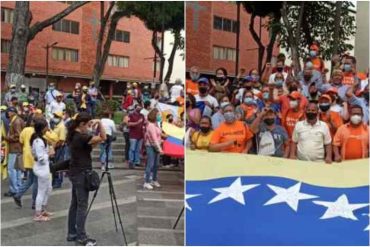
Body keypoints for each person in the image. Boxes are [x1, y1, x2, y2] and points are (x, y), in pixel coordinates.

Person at [66, 112, 106, 246]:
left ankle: (72, 233)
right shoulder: (81, 137)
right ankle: (81, 237)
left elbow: (92, 144)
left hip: (75, 173)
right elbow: (103, 137)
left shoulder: (74, 136)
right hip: (81, 174)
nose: (89, 127)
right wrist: (100, 123)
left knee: (75, 204)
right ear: (82, 124)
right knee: (82, 206)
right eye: (88, 125)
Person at [13, 116, 58, 209]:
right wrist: (50, 130)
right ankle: (35, 201)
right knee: (36, 182)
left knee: (31, 179)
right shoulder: (40, 134)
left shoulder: (25, 130)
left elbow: (20, 141)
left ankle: (18, 194)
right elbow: (55, 138)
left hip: (27, 158)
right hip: (37, 160)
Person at [30, 118, 53, 222]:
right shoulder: (38, 141)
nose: (48, 128)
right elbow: (41, 159)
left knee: (48, 188)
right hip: (41, 168)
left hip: (45, 168)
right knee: (42, 191)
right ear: (42, 128)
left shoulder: (41, 139)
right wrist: (49, 154)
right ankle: (38, 213)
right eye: (46, 126)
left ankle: (43, 209)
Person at [3, 107, 25, 197]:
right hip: (17, 148)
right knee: (17, 169)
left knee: (11, 169)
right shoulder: (17, 120)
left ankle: (14, 189)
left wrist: (6, 138)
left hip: (15, 148)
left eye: (9, 112)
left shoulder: (16, 121)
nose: (7, 113)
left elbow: (18, 135)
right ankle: (18, 188)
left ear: (12, 113)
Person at [143, 109, 163, 190]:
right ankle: (146, 182)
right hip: (151, 146)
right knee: (150, 164)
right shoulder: (150, 125)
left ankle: (154, 180)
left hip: (156, 146)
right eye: (158, 114)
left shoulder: (156, 125)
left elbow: (158, 136)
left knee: (156, 165)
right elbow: (154, 138)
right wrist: (160, 149)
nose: (159, 116)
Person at [51, 111, 67, 189]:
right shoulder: (56, 125)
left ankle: (58, 181)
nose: (55, 118)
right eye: (54, 116)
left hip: (59, 148)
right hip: (55, 147)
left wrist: (54, 148)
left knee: (59, 164)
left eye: (57, 116)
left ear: (60, 118)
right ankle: (55, 180)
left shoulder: (62, 127)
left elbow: (61, 140)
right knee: (55, 164)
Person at [127, 104, 145, 169]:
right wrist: (137, 122)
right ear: (135, 108)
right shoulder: (131, 115)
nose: (139, 108)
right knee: (132, 149)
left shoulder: (142, 115)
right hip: (133, 135)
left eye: (140, 107)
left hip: (140, 135)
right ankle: (131, 162)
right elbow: (129, 124)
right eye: (138, 107)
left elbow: (144, 123)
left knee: (138, 149)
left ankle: (137, 162)